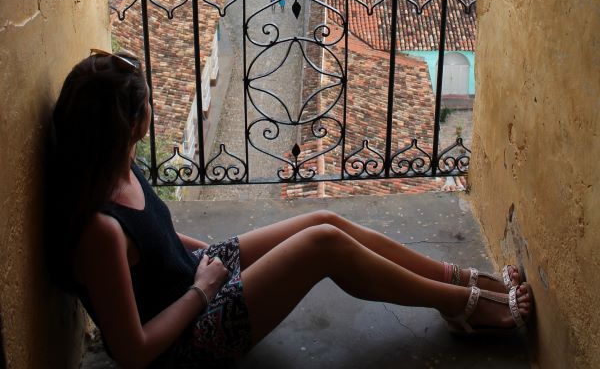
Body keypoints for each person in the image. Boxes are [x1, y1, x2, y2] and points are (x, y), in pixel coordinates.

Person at [49, 52, 531, 369]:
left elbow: (159, 243)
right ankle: (459, 308)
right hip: (188, 341)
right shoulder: (100, 230)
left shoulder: (119, 168)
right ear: (132, 124)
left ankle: (457, 280)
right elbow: (132, 352)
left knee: (325, 220)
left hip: (196, 281)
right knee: (322, 246)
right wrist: (202, 289)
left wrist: (208, 261)